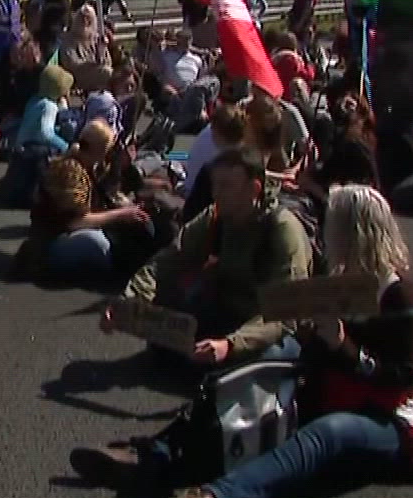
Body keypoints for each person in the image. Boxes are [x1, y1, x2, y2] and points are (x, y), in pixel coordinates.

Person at [143, 186, 413, 498]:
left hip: (390, 414)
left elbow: (404, 376)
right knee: (265, 365)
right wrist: (308, 338)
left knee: (328, 434)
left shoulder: (402, 295)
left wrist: (342, 346)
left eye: (330, 226)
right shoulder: (339, 280)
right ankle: (160, 450)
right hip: (339, 387)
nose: (323, 233)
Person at [103, 149, 313, 369]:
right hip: (228, 309)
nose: (216, 193)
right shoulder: (217, 215)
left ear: (254, 189)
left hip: (269, 323)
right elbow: (169, 260)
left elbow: (286, 313)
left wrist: (231, 345)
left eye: (226, 186)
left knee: (260, 363)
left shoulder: (282, 228)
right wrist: (128, 302)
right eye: (215, 185)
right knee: (166, 338)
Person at [25, 121, 151, 283]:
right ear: (100, 149)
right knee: (95, 243)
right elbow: (76, 221)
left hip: (64, 234)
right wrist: (121, 214)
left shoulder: (88, 166)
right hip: (49, 242)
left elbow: (110, 194)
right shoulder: (70, 171)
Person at [58, 4, 109, 90]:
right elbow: (70, 64)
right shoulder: (68, 39)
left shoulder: (97, 38)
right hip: (78, 77)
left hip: (98, 73)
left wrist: (102, 50)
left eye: (88, 18)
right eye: (82, 18)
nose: (85, 21)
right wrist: (91, 66)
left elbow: (107, 62)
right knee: (106, 72)